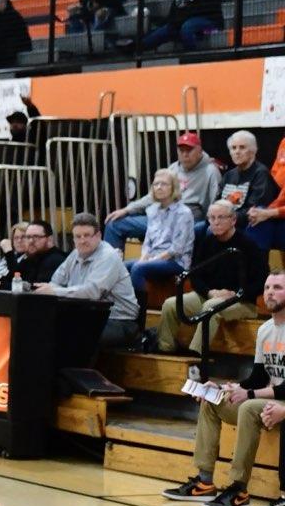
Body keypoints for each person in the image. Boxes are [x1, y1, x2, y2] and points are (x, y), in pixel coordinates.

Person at [162, 272, 285, 506]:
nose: (270, 292)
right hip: (266, 397)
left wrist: (249, 395)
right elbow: (258, 377)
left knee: (249, 407)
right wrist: (226, 387)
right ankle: (204, 482)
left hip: (278, 401)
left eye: (278, 287)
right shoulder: (265, 330)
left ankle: (239, 488)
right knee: (211, 400)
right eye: (267, 287)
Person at [155, 200, 267, 355]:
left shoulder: (248, 245)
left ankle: (196, 358)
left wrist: (234, 294)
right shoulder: (207, 242)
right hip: (209, 295)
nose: (216, 222)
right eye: (212, 218)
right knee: (171, 304)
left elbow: (261, 282)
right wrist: (210, 292)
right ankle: (165, 350)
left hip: (242, 301)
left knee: (211, 307)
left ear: (233, 220)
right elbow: (195, 276)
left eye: (221, 217)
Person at [35, 213, 140, 349]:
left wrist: (54, 291)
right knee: (43, 327)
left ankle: (75, 370)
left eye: (87, 235)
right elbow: (56, 281)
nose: (82, 240)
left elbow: (92, 292)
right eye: (78, 237)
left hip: (119, 321)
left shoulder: (108, 256)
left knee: (73, 334)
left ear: (98, 236)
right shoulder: (75, 254)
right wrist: (50, 289)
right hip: (89, 316)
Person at [104, 131, 221, 250]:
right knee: (114, 224)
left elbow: (215, 204)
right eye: (181, 150)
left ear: (199, 150)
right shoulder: (173, 168)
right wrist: (127, 210)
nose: (185, 154)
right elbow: (151, 197)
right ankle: (113, 266)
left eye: (189, 150)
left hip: (187, 220)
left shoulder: (211, 172)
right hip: (160, 217)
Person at [124, 169, 195, 307]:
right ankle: (124, 307)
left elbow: (177, 248)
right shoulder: (152, 210)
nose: (159, 187)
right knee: (123, 266)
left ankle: (139, 311)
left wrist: (152, 259)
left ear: (173, 187)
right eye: (156, 184)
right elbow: (148, 240)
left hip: (176, 261)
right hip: (153, 258)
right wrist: (144, 256)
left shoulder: (183, 213)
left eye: (164, 184)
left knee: (139, 268)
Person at [219, 130, 278, 231]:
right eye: (233, 148)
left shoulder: (261, 173)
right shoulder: (229, 175)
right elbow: (218, 201)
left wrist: (226, 219)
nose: (237, 152)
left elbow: (255, 209)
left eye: (242, 147)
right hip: (224, 221)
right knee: (199, 229)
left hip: (248, 225)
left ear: (253, 151)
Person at [0, 220, 64, 290]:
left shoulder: (55, 259)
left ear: (49, 239)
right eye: (28, 237)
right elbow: (13, 277)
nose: (31, 241)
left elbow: (37, 288)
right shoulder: (32, 257)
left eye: (36, 237)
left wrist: (1, 286)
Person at [246, 132, 285, 249]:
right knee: (255, 218)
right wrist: (264, 210)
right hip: (276, 211)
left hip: (279, 214)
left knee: (260, 223)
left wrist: (270, 213)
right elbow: (273, 177)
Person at [0, 221, 29, 286]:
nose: (19, 241)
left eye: (23, 237)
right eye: (16, 238)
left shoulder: (30, 258)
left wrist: (9, 252)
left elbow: (15, 276)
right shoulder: (12, 256)